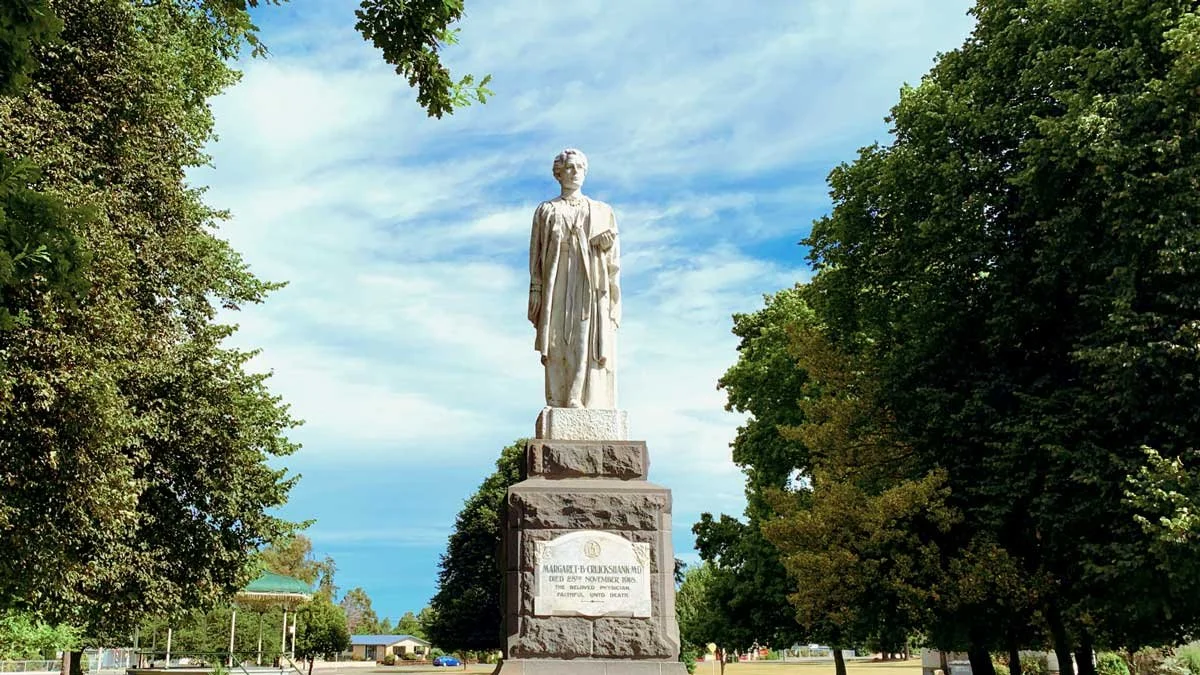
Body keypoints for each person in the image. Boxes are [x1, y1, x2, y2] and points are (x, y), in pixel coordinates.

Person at [527, 148, 621, 408]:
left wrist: (603, 246)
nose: (575, 172)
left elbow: (613, 256)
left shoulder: (601, 210)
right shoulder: (546, 210)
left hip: (588, 278)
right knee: (555, 335)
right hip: (557, 277)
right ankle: (557, 394)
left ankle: (576, 396)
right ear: (559, 173)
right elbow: (536, 254)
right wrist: (536, 288)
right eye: (569, 167)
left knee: (583, 334)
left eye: (579, 167)